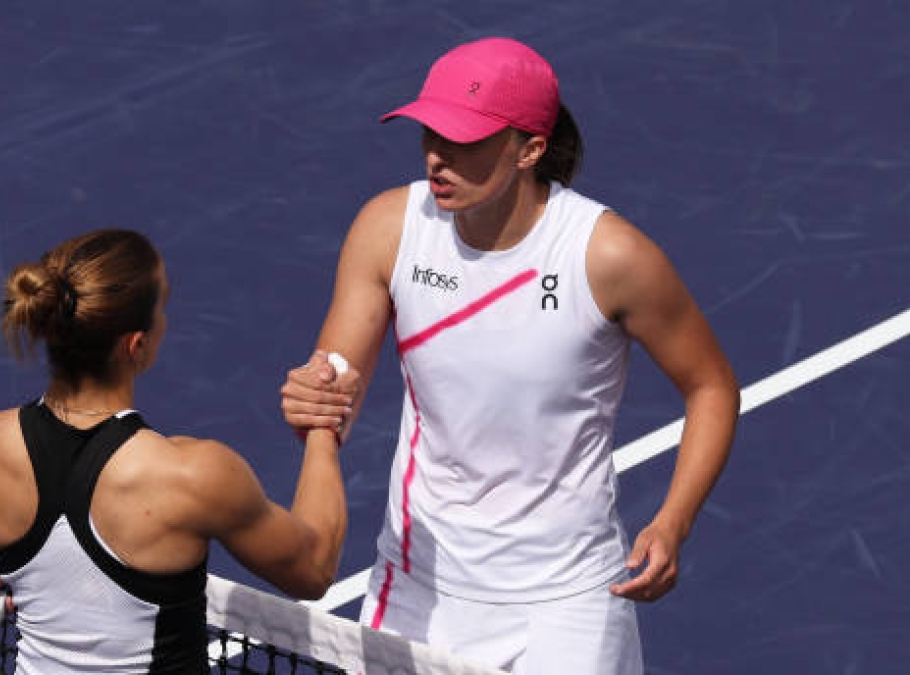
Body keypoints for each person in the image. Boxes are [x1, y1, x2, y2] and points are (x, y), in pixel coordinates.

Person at [280, 37, 740, 673]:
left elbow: (711, 387)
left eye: (464, 140)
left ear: (530, 150)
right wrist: (315, 400)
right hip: (419, 587)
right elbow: (334, 390)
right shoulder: (389, 229)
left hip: (568, 602)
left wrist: (672, 522)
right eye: (430, 133)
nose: (437, 157)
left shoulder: (607, 257)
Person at [0, 229, 351, 673]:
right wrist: (322, 427)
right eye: (162, 307)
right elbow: (313, 568)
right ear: (137, 345)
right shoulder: (194, 476)